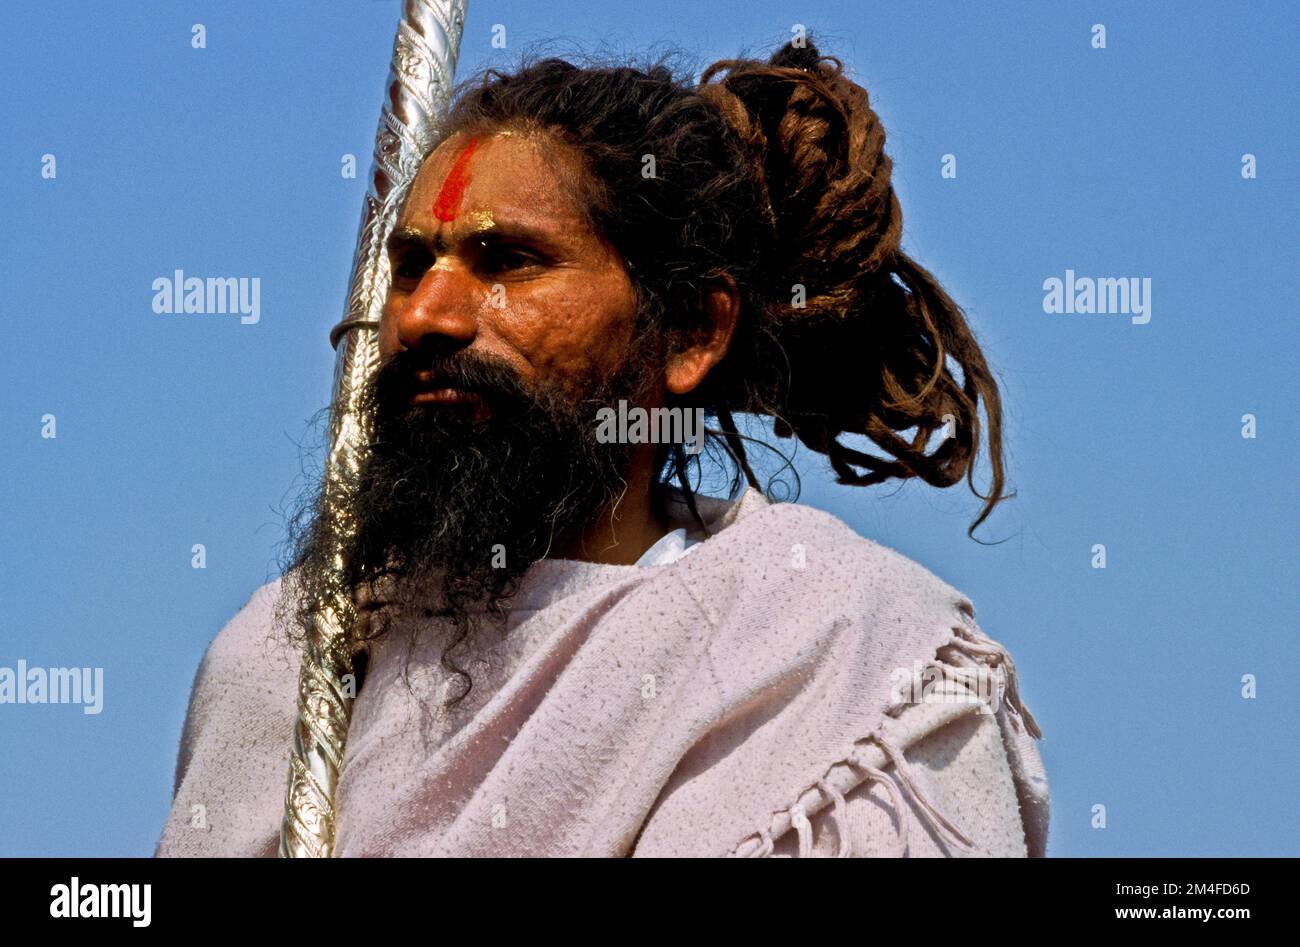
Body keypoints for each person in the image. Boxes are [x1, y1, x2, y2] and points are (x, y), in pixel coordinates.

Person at [155, 39, 1049, 858]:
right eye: (411, 265)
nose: (427, 315)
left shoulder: (852, 656)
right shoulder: (294, 654)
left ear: (690, 333)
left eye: (508, 262)